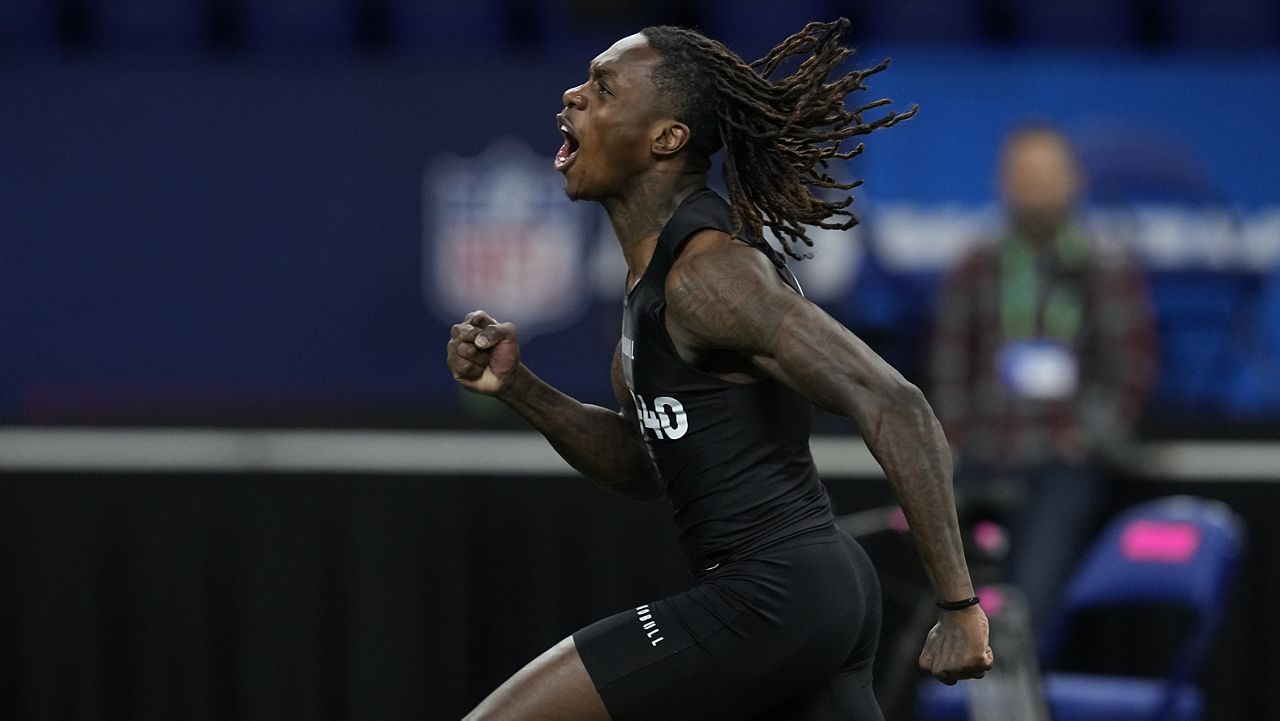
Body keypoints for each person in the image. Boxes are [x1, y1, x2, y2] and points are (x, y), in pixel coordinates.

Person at [447, 19, 992, 721]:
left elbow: (898, 404)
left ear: (666, 138)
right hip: (806, 599)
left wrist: (958, 603)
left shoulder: (710, 276)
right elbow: (643, 466)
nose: (572, 95)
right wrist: (519, 388)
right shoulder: (657, 281)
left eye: (603, 88)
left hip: (777, 596)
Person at [928, 124, 1158, 631]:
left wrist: (1086, 438)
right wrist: (959, 437)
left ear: (1074, 181)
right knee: (946, 604)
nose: (1035, 186)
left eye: (1047, 174)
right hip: (984, 454)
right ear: (1002, 181)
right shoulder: (977, 263)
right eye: (1024, 174)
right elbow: (947, 364)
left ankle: (1023, 704)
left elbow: (1130, 367)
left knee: (1030, 600)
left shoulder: (1104, 264)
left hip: (1064, 459)